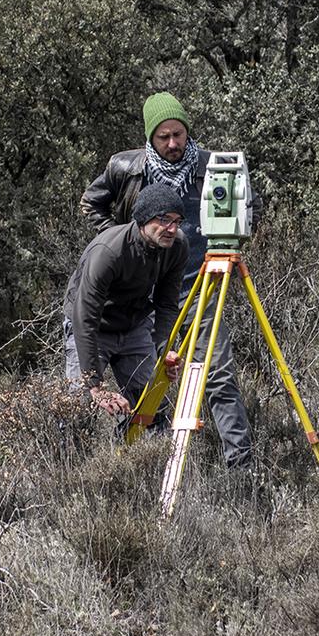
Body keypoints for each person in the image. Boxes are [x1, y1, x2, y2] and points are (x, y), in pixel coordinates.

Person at [76, 92, 253, 466]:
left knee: (219, 377)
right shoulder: (127, 168)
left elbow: (249, 206)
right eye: (163, 137)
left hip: (201, 288)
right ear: (150, 138)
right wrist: (125, 240)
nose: (173, 143)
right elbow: (91, 201)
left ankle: (240, 467)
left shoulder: (215, 167)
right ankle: (136, 463)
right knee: (150, 387)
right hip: (143, 297)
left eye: (179, 135)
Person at [65, 185, 190, 421]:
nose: (172, 229)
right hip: (93, 326)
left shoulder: (177, 247)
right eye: (164, 220)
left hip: (134, 325)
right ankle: (72, 456)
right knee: (79, 408)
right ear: (143, 218)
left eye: (177, 221)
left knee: (151, 406)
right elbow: (85, 317)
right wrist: (94, 386)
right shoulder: (109, 251)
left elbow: (167, 304)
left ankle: (138, 454)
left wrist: (164, 350)